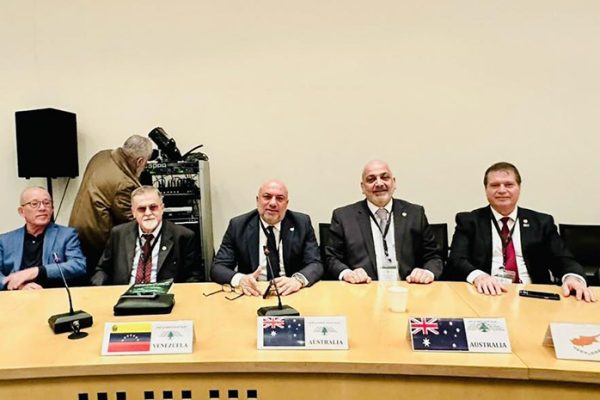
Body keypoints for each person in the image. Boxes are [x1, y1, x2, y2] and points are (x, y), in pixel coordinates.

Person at [448, 161, 596, 302]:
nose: (502, 190)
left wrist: (573, 278)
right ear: (486, 189)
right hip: (486, 294)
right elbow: (457, 259)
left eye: (509, 184)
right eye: (494, 185)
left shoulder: (541, 222)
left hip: (533, 296)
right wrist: (479, 277)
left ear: (519, 187)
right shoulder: (469, 221)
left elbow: (563, 259)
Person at [325, 160, 443, 284]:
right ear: (363, 187)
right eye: (371, 179)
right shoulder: (344, 217)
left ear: (394, 183)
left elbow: (434, 257)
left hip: (408, 288)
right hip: (363, 289)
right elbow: (331, 259)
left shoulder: (415, 214)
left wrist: (427, 272)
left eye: (385, 177)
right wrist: (347, 273)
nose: (379, 183)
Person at [211, 180, 323, 296]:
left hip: (291, 292)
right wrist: (241, 279)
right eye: (267, 197)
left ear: (286, 203)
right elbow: (218, 268)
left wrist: (297, 280)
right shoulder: (238, 226)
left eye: (279, 198)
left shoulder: (302, 223)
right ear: (257, 200)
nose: (273, 203)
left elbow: (315, 264)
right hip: (253, 293)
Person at [69, 135, 153, 277]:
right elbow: (133, 221)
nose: (145, 167)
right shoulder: (124, 184)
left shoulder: (102, 155)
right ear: (139, 161)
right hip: (96, 239)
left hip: (77, 228)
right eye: (145, 163)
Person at [90, 186, 202, 285]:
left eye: (153, 207)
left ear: (162, 208)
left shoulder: (183, 236)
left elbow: (193, 277)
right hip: (125, 296)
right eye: (141, 209)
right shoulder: (119, 234)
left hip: (164, 297)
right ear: (133, 212)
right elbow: (102, 269)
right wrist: (99, 289)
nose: (148, 213)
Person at [1, 187, 86, 290]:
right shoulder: (5, 241)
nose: (42, 208)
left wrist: (37, 271)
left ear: (52, 209)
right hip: (16, 296)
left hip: (54, 295)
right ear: (21, 211)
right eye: (34, 204)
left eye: (46, 203)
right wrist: (19, 286)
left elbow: (78, 265)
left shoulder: (66, 235)